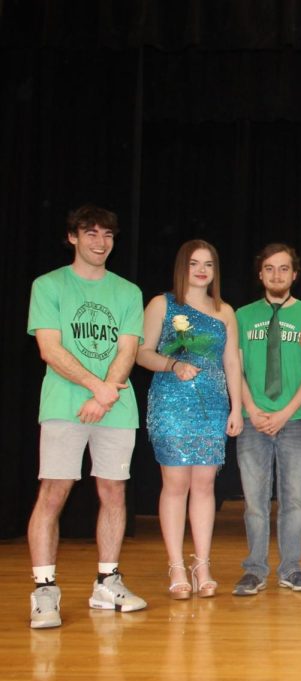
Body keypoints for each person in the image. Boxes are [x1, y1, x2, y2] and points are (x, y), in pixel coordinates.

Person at [27, 205, 148, 628]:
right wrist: (97, 388)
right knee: (54, 491)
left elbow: (128, 350)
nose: (100, 242)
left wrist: (106, 392)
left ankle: (107, 581)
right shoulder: (49, 285)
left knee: (114, 492)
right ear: (73, 237)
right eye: (91, 233)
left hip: (116, 407)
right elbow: (50, 348)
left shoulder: (128, 292)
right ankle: (44, 590)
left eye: (107, 235)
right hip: (65, 404)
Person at [137, 239, 243, 600]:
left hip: (212, 404)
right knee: (176, 484)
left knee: (205, 485)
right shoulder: (161, 304)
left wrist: (236, 408)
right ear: (182, 267)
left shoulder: (225, 310)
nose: (201, 270)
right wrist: (173, 363)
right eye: (195, 263)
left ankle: (203, 565)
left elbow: (232, 363)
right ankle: (176, 566)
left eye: (209, 264)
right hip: (171, 400)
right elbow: (142, 353)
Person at [232, 243, 301, 595]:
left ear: (294, 274)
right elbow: (234, 368)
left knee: (294, 500)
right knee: (254, 501)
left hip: (296, 420)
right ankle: (254, 569)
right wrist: (252, 409)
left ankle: (292, 568)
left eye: (283, 269)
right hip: (253, 420)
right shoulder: (241, 316)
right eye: (269, 268)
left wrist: (285, 412)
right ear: (260, 274)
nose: (276, 275)